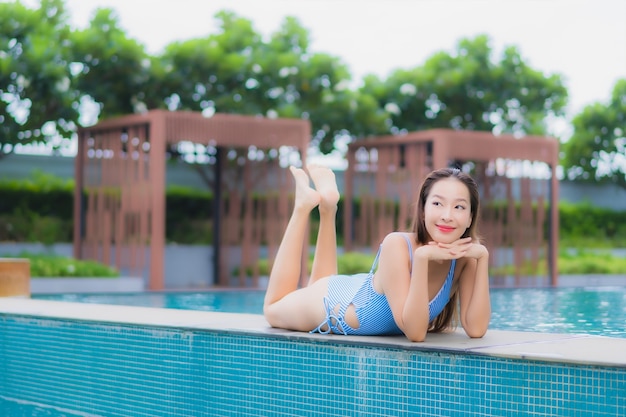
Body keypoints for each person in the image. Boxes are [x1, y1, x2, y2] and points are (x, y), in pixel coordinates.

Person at [263, 165, 490, 342]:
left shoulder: (465, 258)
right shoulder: (397, 244)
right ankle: (303, 206)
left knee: (320, 279)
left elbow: (476, 328)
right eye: (438, 204)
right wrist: (422, 258)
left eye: (459, 207)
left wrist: (483, 258)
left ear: (470, 217)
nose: (447, 215)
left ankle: (328, 206)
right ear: (423, 211)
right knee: (272, 309)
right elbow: (415, 333)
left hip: (356, 288)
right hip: (333, 304)